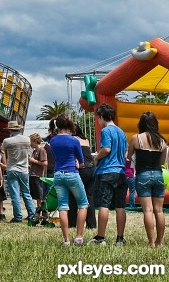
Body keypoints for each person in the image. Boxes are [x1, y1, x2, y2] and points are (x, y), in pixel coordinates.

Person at [88, 103, 128, 246]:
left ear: (102, 117)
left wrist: (96, 158)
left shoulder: (106, 131)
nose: (98, 121)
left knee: (103, 205)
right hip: (121, 172)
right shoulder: (121, 132)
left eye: (98, 118)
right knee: (120, 206)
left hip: (106, 172)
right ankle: (120, 238)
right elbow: (125, 153)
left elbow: (106, 149)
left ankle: (101, 237)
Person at [126, 111, 167, 247]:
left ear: (141, 124)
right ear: (155, 124)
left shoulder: (136, 138)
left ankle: (151, 242)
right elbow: (162, 162)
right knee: (159, 210)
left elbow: (129, 156)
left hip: (143, 175)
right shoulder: (162, 142)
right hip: (158, 175)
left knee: (148, 210)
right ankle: (160, 242)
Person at [49, 115, 88, 246]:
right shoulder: (74, 140)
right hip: (72, 173)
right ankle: (78, 237)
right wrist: (79, 163)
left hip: (58, 174)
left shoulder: (52, 141)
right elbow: (81, 161)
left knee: (63, 206)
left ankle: (66, 240)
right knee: (83, 204)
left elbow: (55, 158)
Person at [2, 120, 36, 223]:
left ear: (10, 130)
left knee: (15, 194)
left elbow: (2, 152)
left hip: (12, 168)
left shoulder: (7, 141)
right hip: (24, 169)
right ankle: (32, 215)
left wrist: (5, 164)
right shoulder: (27, 140)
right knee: (26, 193)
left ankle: (18, 216)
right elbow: (30, 154)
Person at [67, 124, 96, 229]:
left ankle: (72, 223)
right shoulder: (86, 140)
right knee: (89, 197)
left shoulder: (72, 139)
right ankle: (91, 224)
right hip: (92, 169)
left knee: (73, 197)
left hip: (81, 169)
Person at [28, 133, 47, 222]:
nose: (30, 144)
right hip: (33, 175)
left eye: (31, 141)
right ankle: (39, 214)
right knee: (37, 197)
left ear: (35, 141)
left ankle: (41, 215)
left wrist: (33, 161)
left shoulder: (41, 150)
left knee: (40, 197)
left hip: (39, 176)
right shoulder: (34, 150)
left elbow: (45, 163)